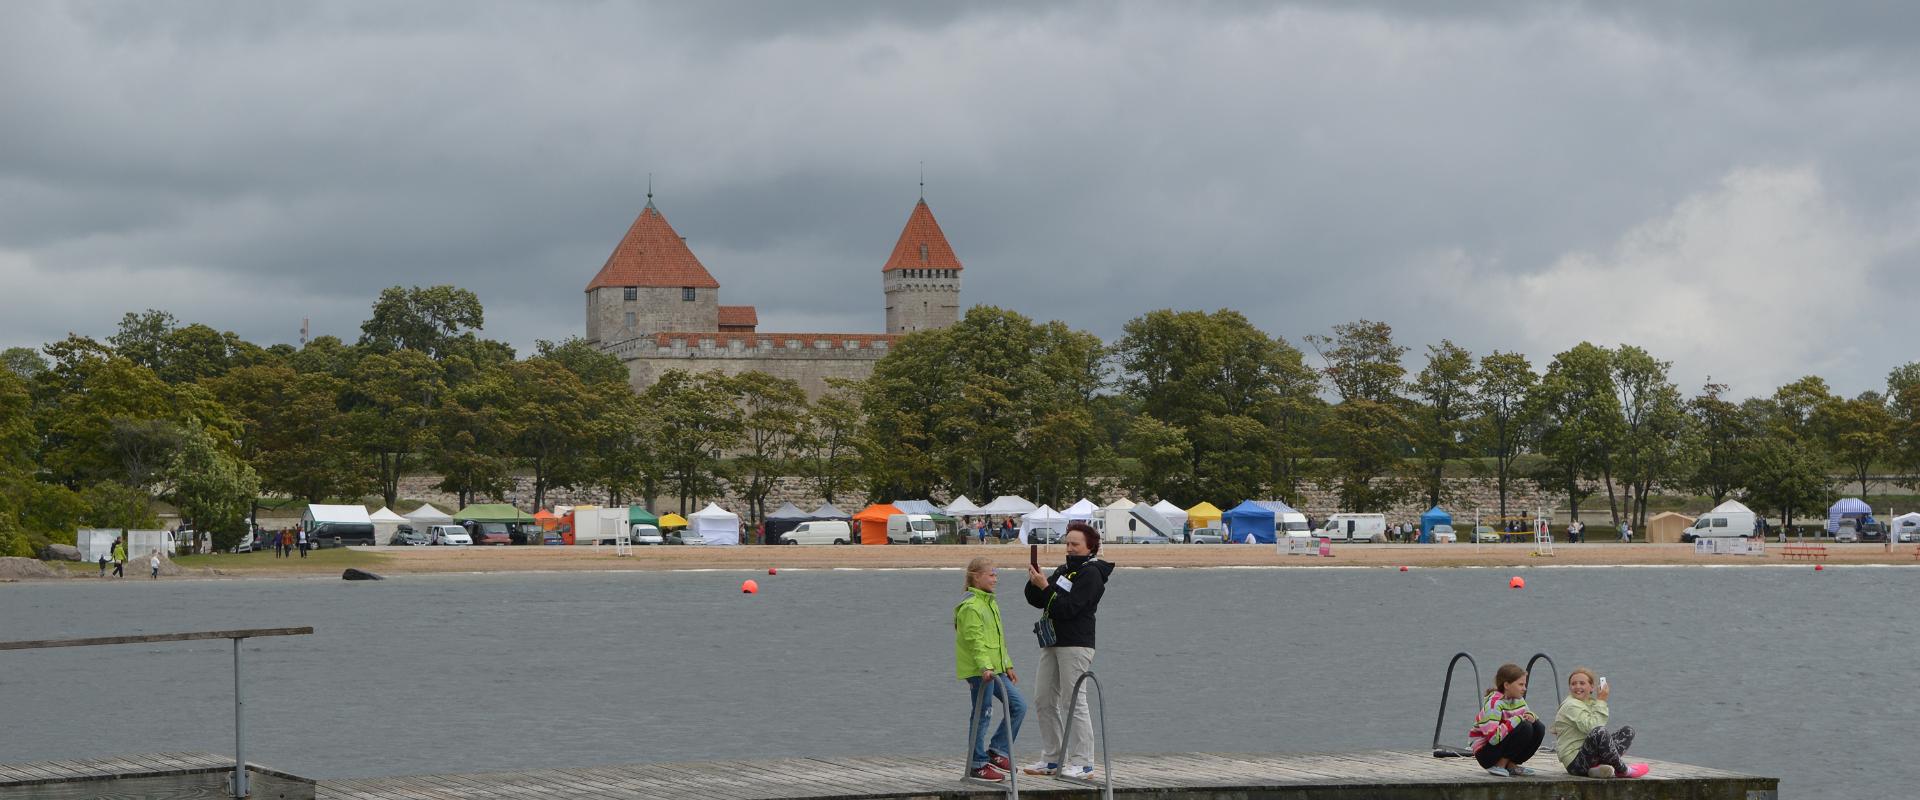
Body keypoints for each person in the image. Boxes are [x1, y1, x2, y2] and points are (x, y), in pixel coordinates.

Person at [1022, 521, 1112, 780]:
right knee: (1043, 699)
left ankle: (1083, 763)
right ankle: (1053, 759)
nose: (1070, 548)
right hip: (1052, 641)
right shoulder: (1064, 570)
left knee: (1073, 701)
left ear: (1090, 547)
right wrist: (1035, 580)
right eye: (1068, 543)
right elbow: (1038, 599)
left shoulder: (1091, 574)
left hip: (1076, 643)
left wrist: (1046, 587)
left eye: (1075, 544)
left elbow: (1069, 608)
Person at [955, 555, 1025, 782]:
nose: (996, 579)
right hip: (981, 672)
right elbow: (975, 641)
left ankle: (997, 751)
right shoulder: (971, 607)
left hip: (997, 670)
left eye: (996, 574)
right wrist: (985, 667)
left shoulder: (989, 602)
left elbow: (997, 639)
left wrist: (1008, 664)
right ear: (977, 577)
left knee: (1019, 706)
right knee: (982, 715)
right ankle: (977, 764)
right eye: (992, 574)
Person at [1551, 668, 1649, 779]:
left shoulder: (1590, 702)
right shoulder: (1570, 705)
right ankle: (1623, 770)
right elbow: (1592, 727)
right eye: (1573, 684)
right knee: (1600, 732)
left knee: (1627, 731)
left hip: (1589, 758)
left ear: (1592, 687)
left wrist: (1599, 701)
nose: (1577, 686)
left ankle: (1597, 769)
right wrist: (1602, 700)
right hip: (1575, 764)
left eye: (1582, 683)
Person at [1469, 663, 1545, 777]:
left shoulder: (1518, 700)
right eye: (1521, 684)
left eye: (1525, 684)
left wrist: (1532, 717)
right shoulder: (1494, 704)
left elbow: (1526, 716)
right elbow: (1493, 739)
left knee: (1538, 727)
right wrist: (1515, 720)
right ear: (1507, 685)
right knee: (1525, 727)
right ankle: (1499, 765)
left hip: (1499, 747)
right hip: (1485, 753)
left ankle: (1511, 765)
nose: (1524, 688)